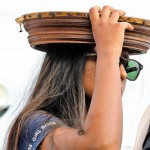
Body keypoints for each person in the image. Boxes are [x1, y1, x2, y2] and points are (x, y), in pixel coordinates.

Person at [6, 5, 143, 150]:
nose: (123, 73)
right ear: (70, 63)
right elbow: (101, 146)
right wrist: (108, 52)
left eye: (126, 64)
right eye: (116, 60)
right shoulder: (34, 124)